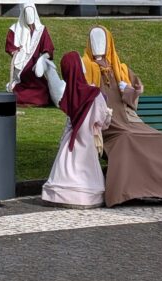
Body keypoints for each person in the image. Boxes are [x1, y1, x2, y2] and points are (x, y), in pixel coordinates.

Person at [82, 26, 162, 208]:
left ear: (109, 43)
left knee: (160, 139)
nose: (98, 44)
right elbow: (78, 93)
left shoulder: (120, 68)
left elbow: (135, 93)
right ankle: (124, 193)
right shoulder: (84, 67)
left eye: (102, 40)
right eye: (94, 40)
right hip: (106, 124)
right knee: (125, 139)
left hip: (128, 120)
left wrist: (128, 90)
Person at [42, 52, 112, 207]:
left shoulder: (67, 95)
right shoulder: (93, 94)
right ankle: (85, 195)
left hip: (70, 138)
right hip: (87, 138)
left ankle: (60, 194)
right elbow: (101, 121)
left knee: (65, 164)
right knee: (87, 167)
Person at [5, 3, 55, 106]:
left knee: (43, 91)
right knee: (18, 89)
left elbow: (48, 48)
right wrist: (16, 52)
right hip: (21, 68)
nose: (31, 27)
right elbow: (10, 46)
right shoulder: (15, 29)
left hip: (34, 68)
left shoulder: (41, 30)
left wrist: (43, 57)